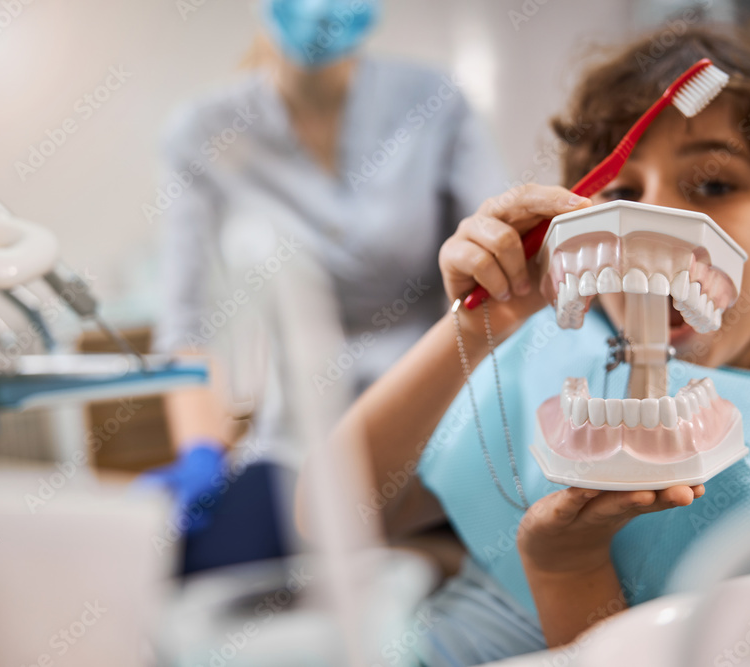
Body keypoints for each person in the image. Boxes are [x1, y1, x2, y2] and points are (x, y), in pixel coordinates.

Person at [310, 25, 750, 664]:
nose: (657, 217)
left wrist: (566, 567)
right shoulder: (544, 360)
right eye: (622, 192)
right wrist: (479, 327)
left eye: (713, 184)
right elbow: (325, 520)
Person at [147, 0, 506, 540]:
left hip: (441, 423)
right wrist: (200, 451)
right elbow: (186, 322)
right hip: (300, 440)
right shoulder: (204, 132)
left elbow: (500, 259)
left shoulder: (436, 102)